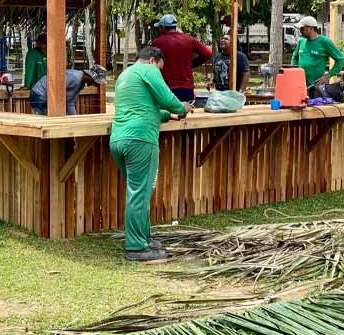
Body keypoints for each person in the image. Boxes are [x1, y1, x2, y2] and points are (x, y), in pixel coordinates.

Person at [110, 47, 192, 262]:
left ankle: (144, 238)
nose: (160, 72)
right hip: (141, 139)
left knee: (138, 192)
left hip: (119, 139)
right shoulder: (149, 70)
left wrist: (170, 116)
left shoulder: (125, 75)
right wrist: (182, 108)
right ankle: (136, 247)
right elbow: (167, 98)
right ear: (153, 60)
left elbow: (145, 108)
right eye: (160, 68)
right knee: (139, 194)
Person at [150, 14, 213, 102]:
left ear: (163, 28)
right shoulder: (189, 39)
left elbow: (151, 64)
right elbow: (208, 53)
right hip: (186, 88)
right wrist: (192, 64)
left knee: (166, 114)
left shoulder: (157, 42)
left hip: (166, 87)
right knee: (185, 113)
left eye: (160, 28)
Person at [29, 65, 106, 115]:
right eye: (94, 81)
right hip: (39, 95)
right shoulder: (73, 77)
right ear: (90, 76)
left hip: (48, 97)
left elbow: (70, 102)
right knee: (47, 121)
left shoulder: (81, 84)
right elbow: (52, 88)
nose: (94, 84)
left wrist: (74, 120)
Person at [291, 16, 344, 87]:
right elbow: (294, 57)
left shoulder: (325, 42)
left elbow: (341, 60)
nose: (300, 31)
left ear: (310, 28)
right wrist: (294, 72)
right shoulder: (301, 41)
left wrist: (328, 76)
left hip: (316, 87)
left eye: (302, 28)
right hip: (299, 85)